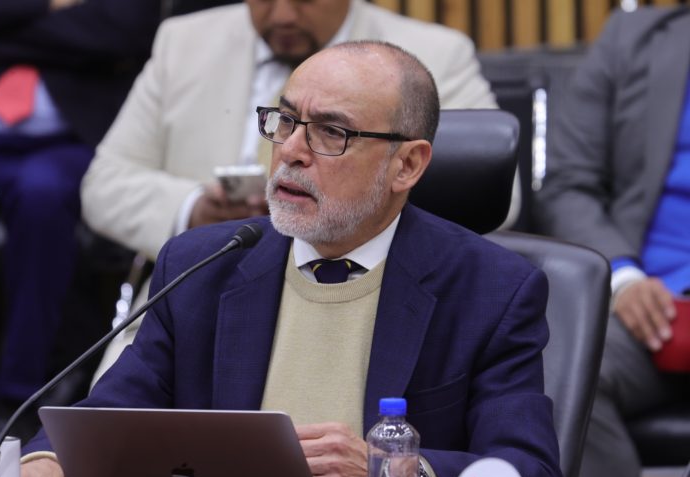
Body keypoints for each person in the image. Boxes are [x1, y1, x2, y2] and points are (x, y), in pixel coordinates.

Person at [21, 40, 563, 477]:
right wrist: (49, 462)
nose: (292, 152)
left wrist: (393, 476)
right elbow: (114, 414)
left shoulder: (491, 290)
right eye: (285, 120)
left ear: (408, 165)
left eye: (332, 132)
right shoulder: (203, 264)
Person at [84, 0, 507, 385]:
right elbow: (104, 182)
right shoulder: (184, 41)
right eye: (283, 121)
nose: (283, 15)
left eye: (332, 131)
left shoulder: (430, 56)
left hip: (379, 292)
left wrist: (336, 211)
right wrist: (196, 211)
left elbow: (481, 184)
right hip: (202, 289)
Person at [0, 0, 162, 433]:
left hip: (64, 146)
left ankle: (19, 397)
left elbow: (124, 30)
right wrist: (46, 7)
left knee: (43, 194)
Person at [534, 6, 690, 477]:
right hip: (652, 307)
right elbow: (569, 184)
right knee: (555, 366)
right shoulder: (631, 39)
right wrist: (621, 278)